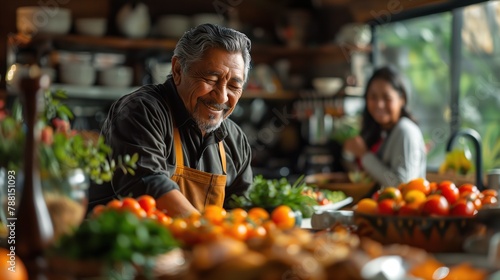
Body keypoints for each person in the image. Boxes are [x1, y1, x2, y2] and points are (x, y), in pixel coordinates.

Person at [88, 24, 253, 217]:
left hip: (195, 245)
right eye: (211, 79)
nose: (222, 97)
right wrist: (204, 229)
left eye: (233, 85)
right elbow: (149, 183)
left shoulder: (234, 140)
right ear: (177, 70)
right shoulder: (141, 111)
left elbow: (243, 210)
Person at [342, 66, 426, 188]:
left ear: (402, 99)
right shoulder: (383, 132)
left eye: (387, 98)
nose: (379, 105)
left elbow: (402, 186)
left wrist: (364, 155)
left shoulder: (406, 130)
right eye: (373, 97)